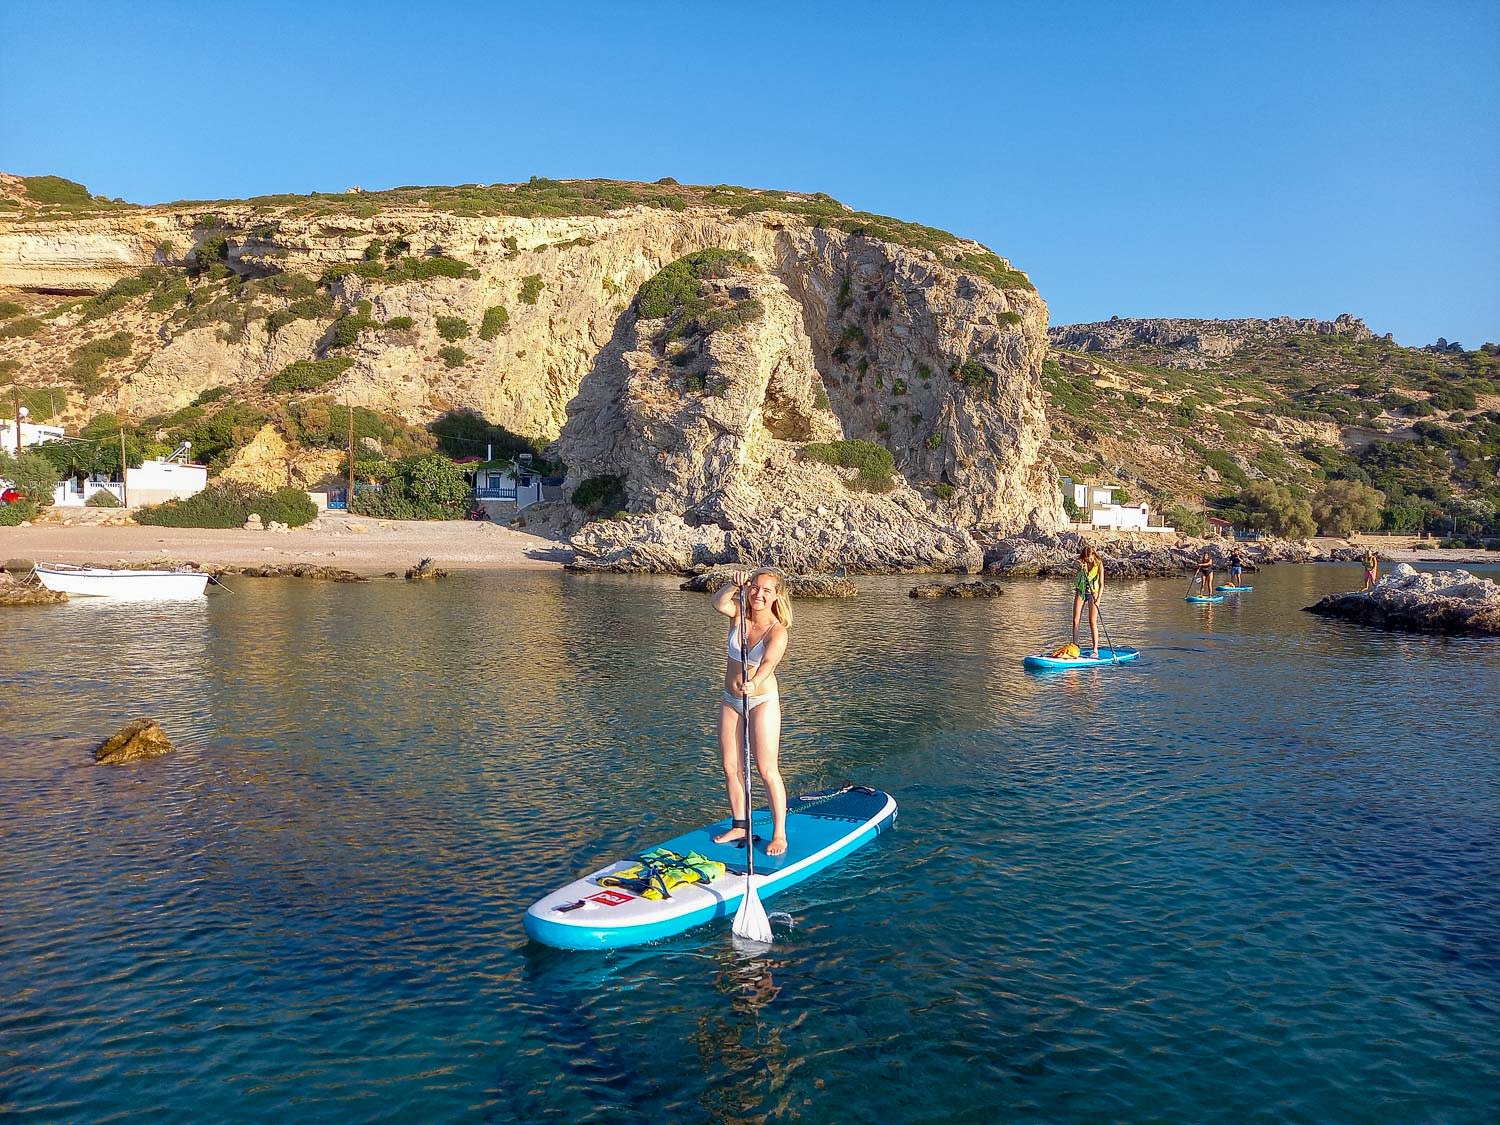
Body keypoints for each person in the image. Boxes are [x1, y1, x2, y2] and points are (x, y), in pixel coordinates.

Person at [711, 568, 791, 857]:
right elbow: (718, 602)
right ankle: (741, 824)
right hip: (731, 700)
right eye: (755, 588)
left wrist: (754, 682)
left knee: (766, 770)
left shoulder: (777, 631)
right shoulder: (738, 616)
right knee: (730, 767)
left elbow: (769, 663)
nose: (758, 594)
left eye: (766, 590)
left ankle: (779, 833)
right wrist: (731, 585)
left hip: (761, 701)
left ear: (776, 596)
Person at [1071, 544, 1104, 656]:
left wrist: (1098, 598)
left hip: (1093, 593)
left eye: (1090, 557)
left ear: (1093, 554)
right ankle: (1076, 645)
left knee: (1092, 621)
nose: (1088, 560)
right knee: (1075, 620)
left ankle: (1095, 650)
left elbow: (1101, 584)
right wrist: (1081, 568)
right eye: (1086, 558)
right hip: (1081, 591)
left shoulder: (1099, 563)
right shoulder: (1082, 563)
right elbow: (1076, 571)